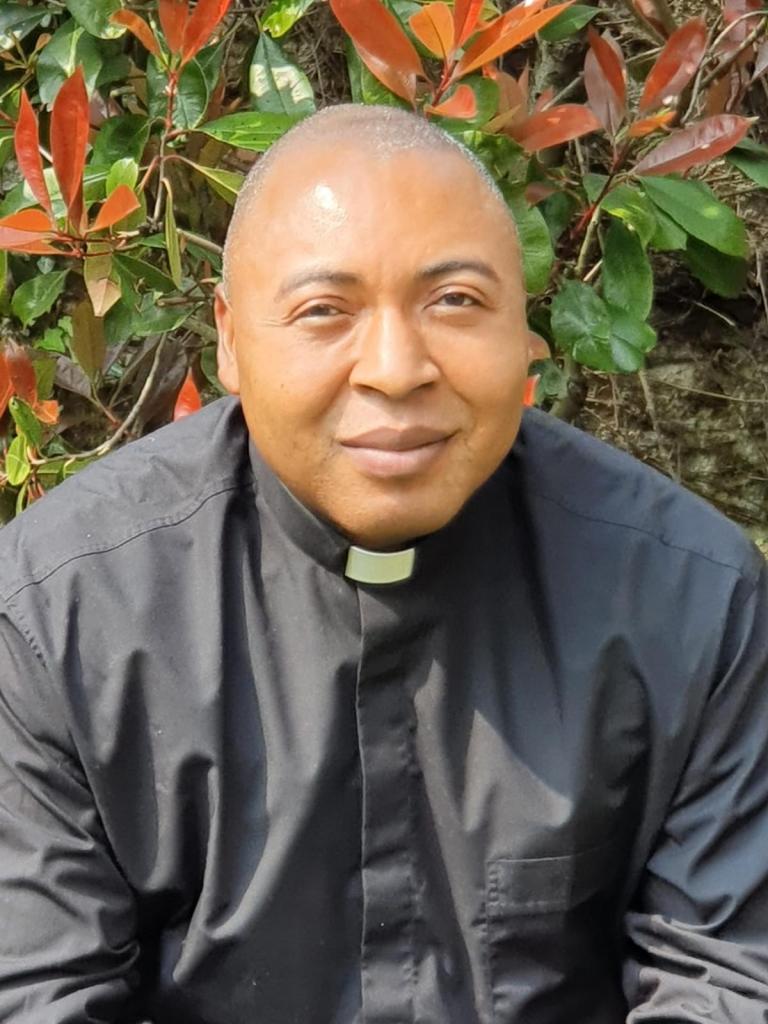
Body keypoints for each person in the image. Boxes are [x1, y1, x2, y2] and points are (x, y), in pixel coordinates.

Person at [0, 104, 765, 1024]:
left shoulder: (690, 599)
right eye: (325, 311)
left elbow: (729, 976)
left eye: (456, 302)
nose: (397, 370)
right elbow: (37, 991)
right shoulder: (62, 613)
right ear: (230, 337)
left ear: (525, 329)